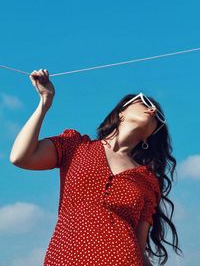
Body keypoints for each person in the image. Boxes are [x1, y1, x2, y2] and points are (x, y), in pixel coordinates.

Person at [10, 69, 183, 265]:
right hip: (66, 258)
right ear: (121, 112)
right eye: (146, 103)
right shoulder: (76, 146)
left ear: (149, 136)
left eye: (158, 115)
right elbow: (21, 157)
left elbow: (140, 249)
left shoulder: (148, 180)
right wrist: (44, 103)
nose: (152, 110)